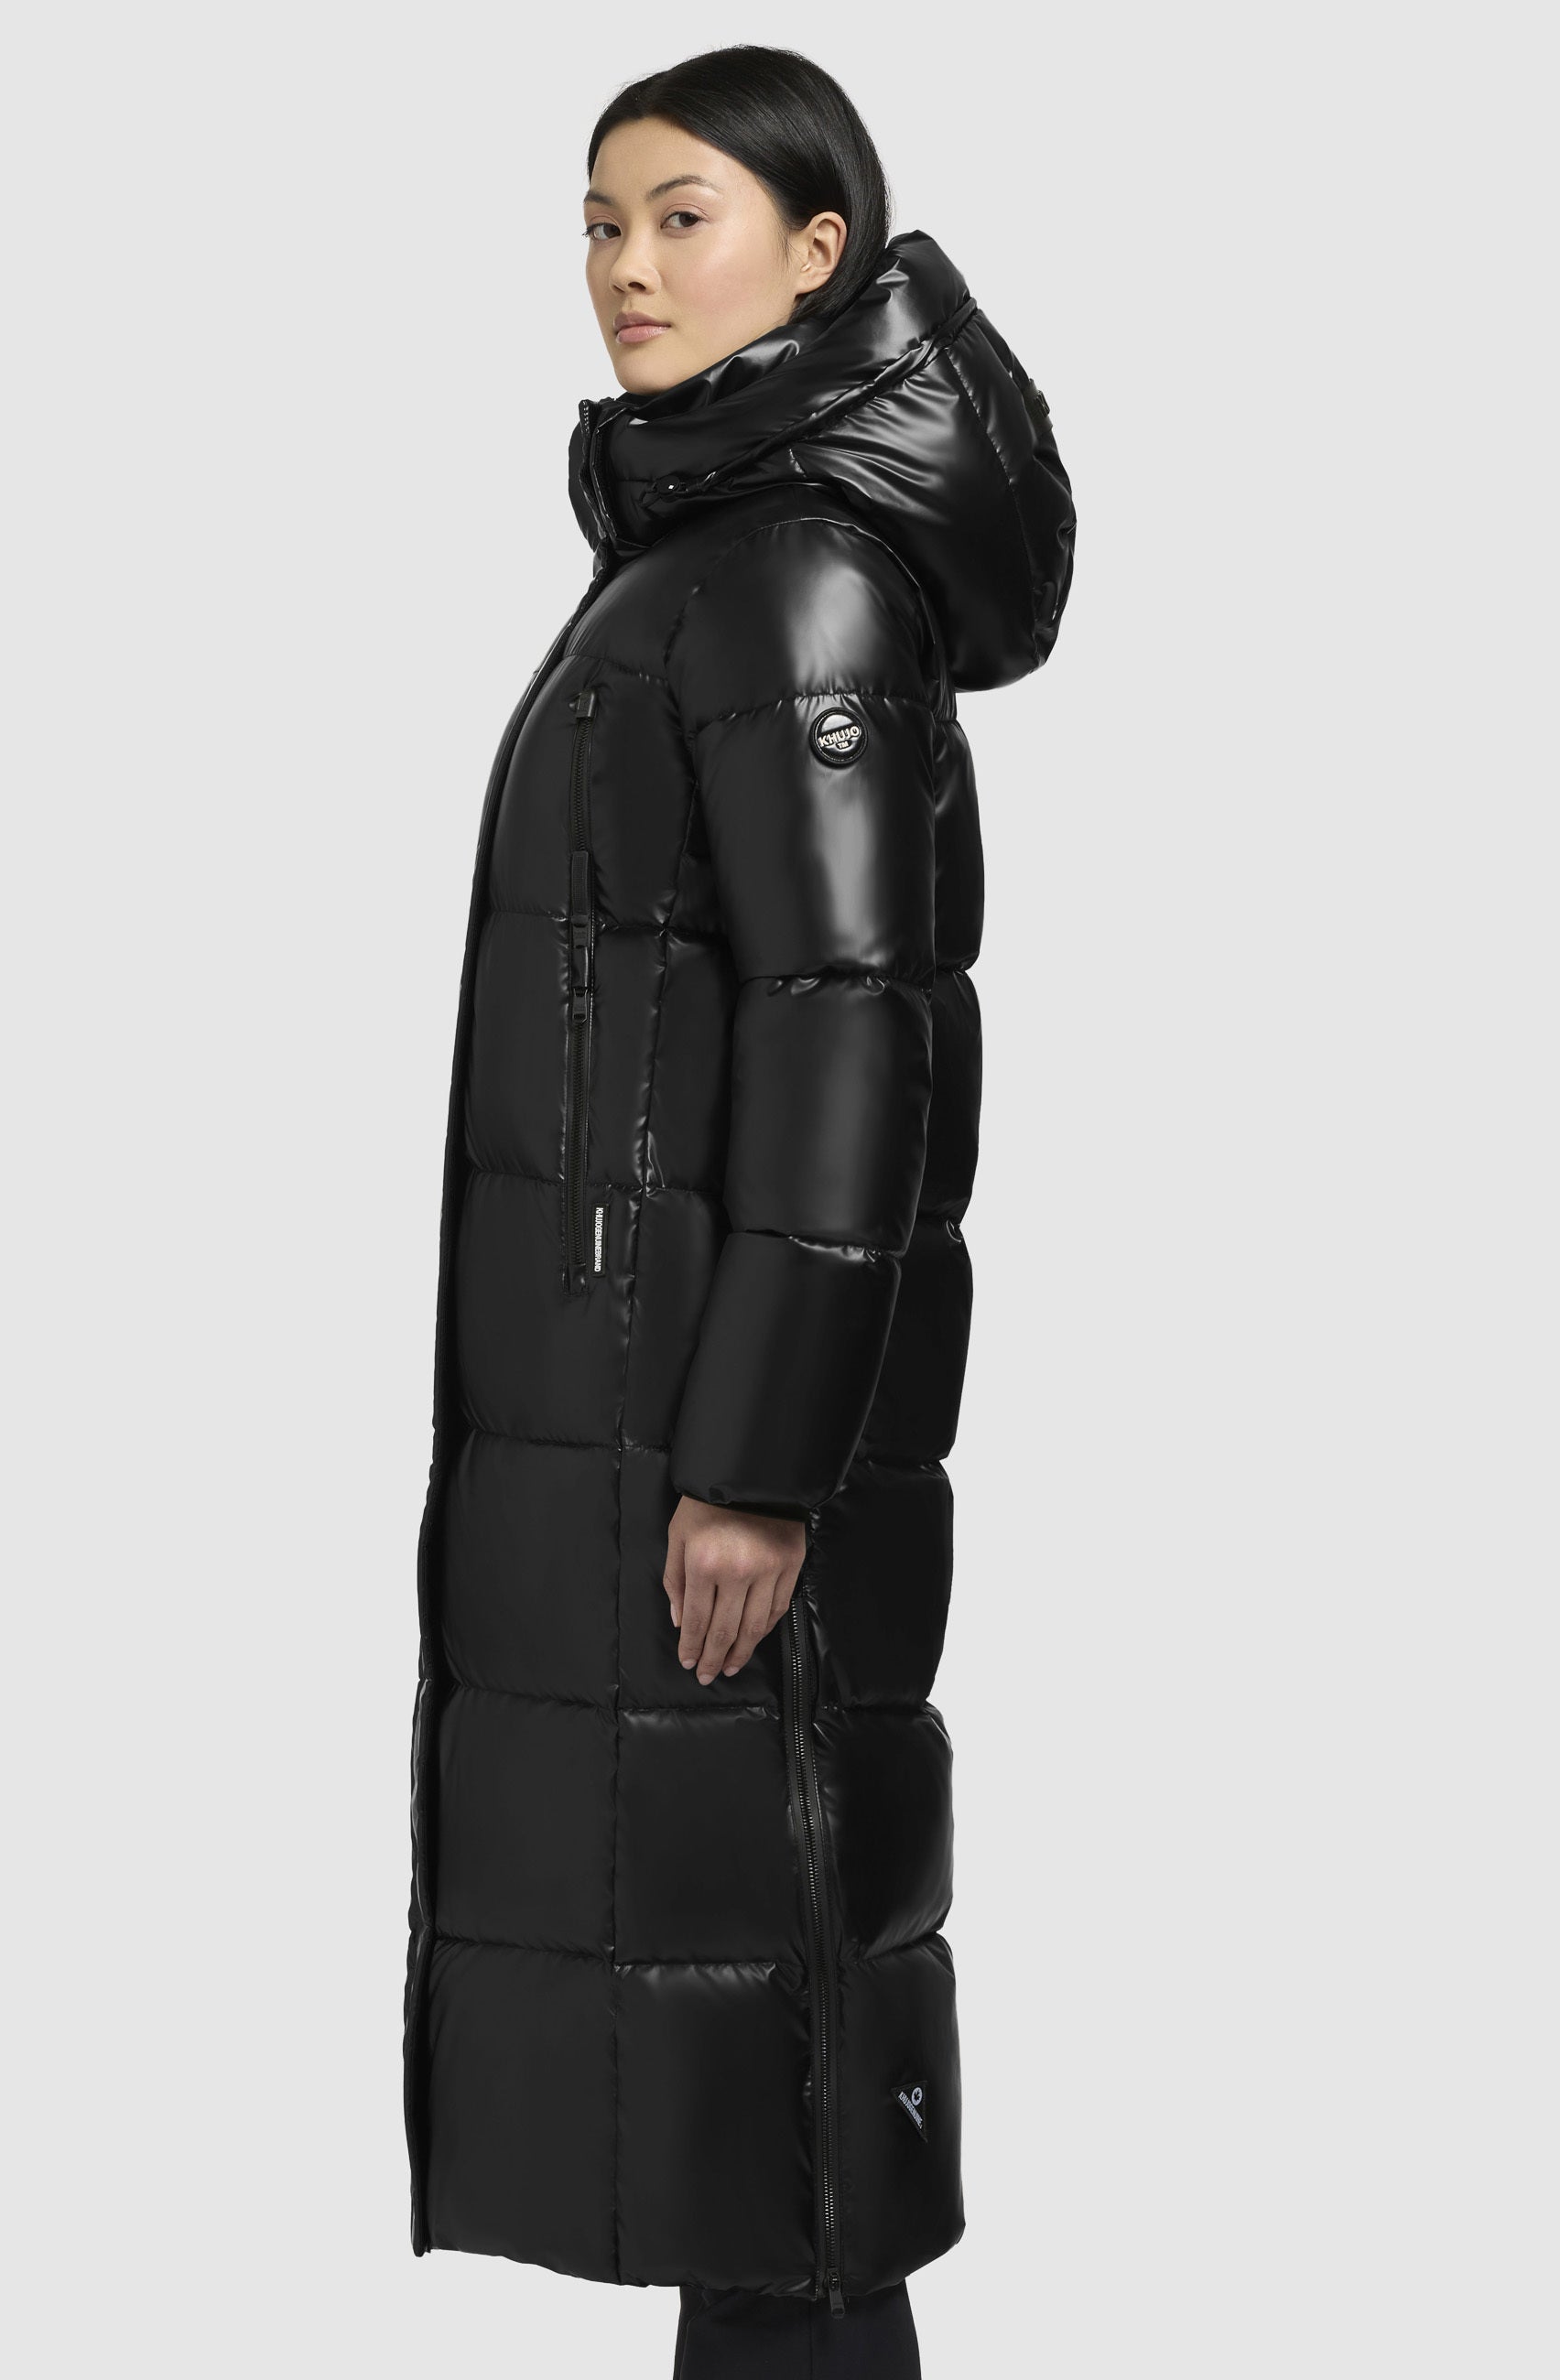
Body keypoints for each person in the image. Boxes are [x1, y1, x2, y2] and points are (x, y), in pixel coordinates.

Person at [404, 44, 1074, 2375]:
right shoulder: (710, 555)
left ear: (819, 251)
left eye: (680, 217)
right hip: (646, 1415)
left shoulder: (799, 582)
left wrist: (761, 1467)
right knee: (730, 2090)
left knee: (781, 2084)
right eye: (599, 223)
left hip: (710, 1447)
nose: (624, 267)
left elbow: (847, 1037)